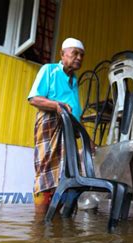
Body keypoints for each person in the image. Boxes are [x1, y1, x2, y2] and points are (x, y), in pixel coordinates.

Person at [27, 37, 85, 214]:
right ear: (62, 54)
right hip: (50, 124)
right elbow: (34, 99)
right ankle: (39, 224)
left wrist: (87, 140)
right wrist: (57, 105)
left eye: (82, 55)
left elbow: (76, 115)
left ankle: (55, 220)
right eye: (75, 53)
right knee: (46, 174)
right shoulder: (49, 70)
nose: (79, 58)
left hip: (69, 131)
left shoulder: (74, 82)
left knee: (68, 177)